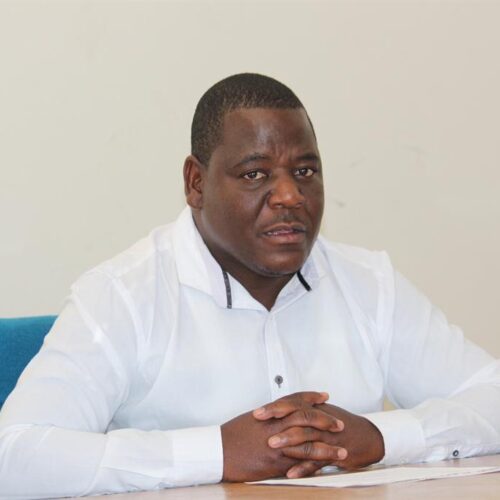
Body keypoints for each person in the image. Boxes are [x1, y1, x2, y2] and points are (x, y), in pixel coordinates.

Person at [0, 73, 499, 499]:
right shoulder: (123, 296)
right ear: (196, 183)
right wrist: (219, 452)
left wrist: (378, 437)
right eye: (255, 174)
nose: (290, 195)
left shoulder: (370, 283)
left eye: (305, 171)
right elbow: (15, 455)